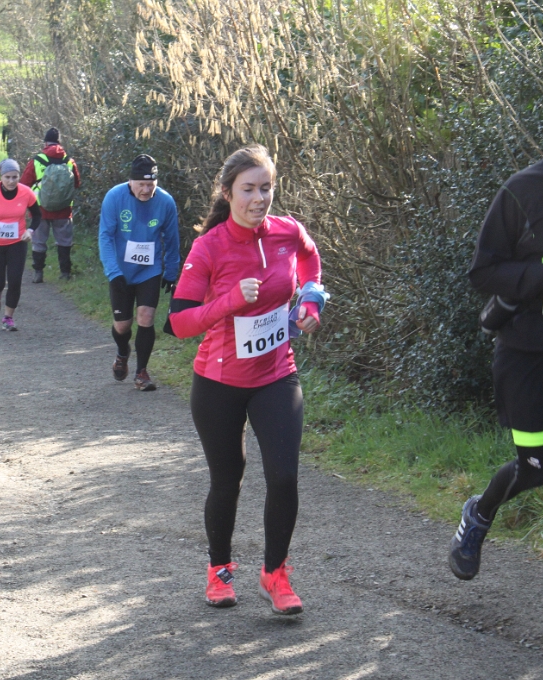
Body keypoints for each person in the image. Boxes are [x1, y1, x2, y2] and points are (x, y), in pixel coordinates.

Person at [450, 76, 543, 633]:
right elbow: (483, 272)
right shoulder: (522, 190)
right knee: (535, 470)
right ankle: (480, 512)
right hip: (528, 355)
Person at [168, 145, 327, 614]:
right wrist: (231, 302)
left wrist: (311, 303)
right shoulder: (209, 246)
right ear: (227, 193)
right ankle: (219, 570)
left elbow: (312, 264)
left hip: (276, 373)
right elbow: (179, 322)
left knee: (284, 476)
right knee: (227, 480)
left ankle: (275, 574)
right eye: (248, 189)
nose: (259, 198)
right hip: (218, 382)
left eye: (266, 188)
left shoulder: (288, 231)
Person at [98, 154, 180, 391]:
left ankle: (141, 372)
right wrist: (113, 272)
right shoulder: (114, 197)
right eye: (141, 184)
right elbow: (105, 237)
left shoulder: (165, 202)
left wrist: (171, 272)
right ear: (130, 182)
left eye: (151, 184)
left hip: (149, 270)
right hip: (121, 272)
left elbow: (171, 239)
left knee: (146, 317)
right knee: (122, 326)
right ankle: (122, 352)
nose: (146, 190)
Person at [0, 159, 41, 331]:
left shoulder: (26, 193)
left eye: (15, 177)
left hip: (17, 243)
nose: (11, 181)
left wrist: (30, 231)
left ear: (19, 177)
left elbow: (37, 215)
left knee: (15, 281)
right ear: (1, 177)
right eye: (7, 177)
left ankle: (8, 318)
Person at [20, 127, 81, 282]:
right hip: (64, 209)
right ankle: (65, 273)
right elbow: (77, 183)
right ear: (59, 142)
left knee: (39, 241)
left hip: (40, 209)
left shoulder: (36, 161)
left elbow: (24, 184)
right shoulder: (69, 161)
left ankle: (38, 273)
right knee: (64, 242)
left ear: (45, 143)